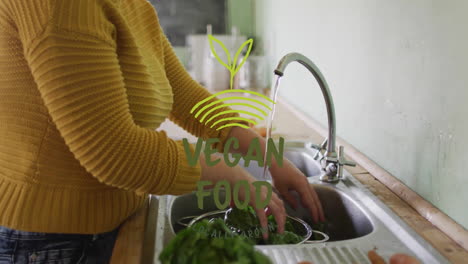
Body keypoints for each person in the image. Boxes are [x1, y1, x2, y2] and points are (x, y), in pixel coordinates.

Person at [0, 0, 324, 262]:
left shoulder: (135, 6)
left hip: (102, 224)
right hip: (48, 239)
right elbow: (115, 153)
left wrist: (268, 155)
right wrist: (233, 175)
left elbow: (186, 97)